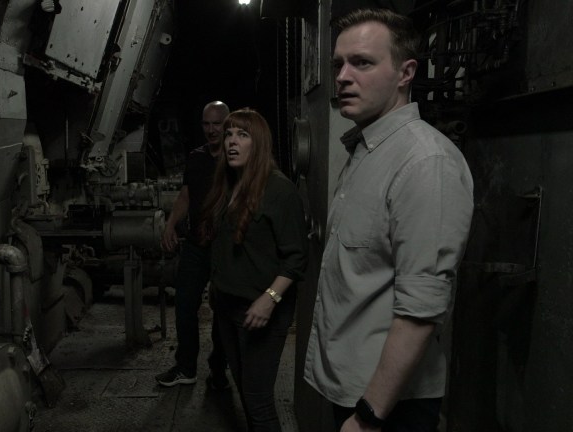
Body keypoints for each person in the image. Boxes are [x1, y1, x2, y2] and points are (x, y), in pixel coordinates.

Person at [303, 8, 474, 432]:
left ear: (405, 72)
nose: (343, 76)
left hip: (386, 405)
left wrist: (368, 416)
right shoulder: (368, 149)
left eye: (361, 62)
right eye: (338, 64)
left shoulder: (424, 162)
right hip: (351, 388)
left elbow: (420, 309)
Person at [199, 108, 308, 431]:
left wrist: (270, 298)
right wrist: (215, 285)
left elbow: (296, 257)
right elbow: (224, 248)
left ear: (257, 144)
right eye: (229, 133)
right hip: (228, 307)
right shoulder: (226, 186)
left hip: (261, 311)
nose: (231, 141)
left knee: (258, 399)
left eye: (242, 135)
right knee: (247, 394)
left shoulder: (279, 190)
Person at [156, 101, 231, 389]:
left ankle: (218, 367)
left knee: (222, 310)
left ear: (227, 125)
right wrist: (170, 224)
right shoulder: (196, 157)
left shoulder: (233, 159)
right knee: (185, 304)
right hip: (196, 245)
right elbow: (186, 196)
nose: (211, 130)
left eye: (217, 124)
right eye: (206, 124)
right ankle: (186, 367)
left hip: (224, 247)